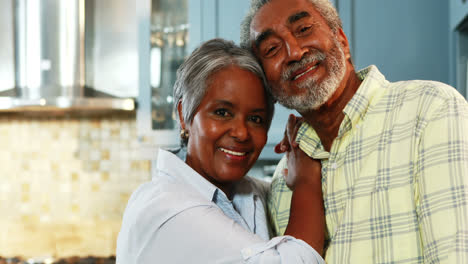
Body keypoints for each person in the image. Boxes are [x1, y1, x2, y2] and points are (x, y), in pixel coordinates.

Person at [240, 0, 468, 263]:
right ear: (267, 83)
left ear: (342, 40)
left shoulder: (431, 111)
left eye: (303, 29)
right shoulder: (284, 181)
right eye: (271, 49)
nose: (293, 52)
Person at [116, 38, 326, 264]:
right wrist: (306, 181)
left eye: (256, 119)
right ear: (184, 114)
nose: (242, 133)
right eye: (223, 112)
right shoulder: (167, 208)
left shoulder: (246, 192)